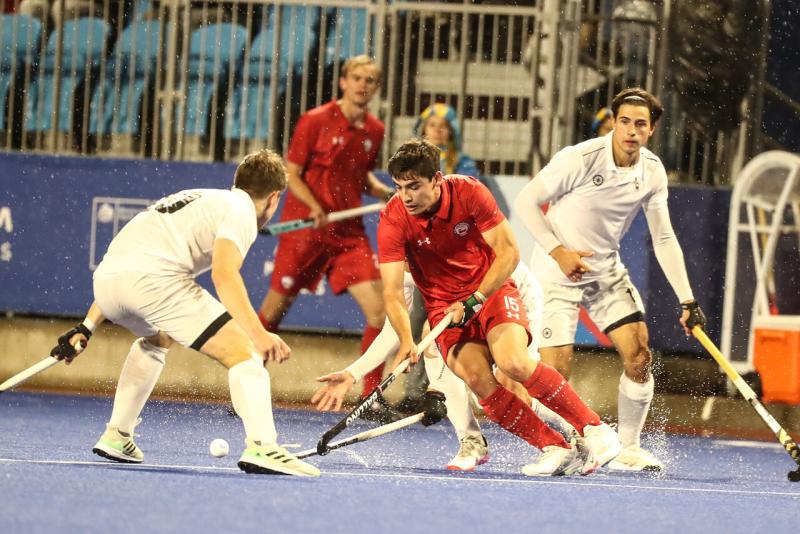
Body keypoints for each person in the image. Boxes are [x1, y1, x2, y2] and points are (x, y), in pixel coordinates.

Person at [48, 149, 320, 477]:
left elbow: (128, 262)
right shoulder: (242, 212)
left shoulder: (204, 199)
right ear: (274, 198)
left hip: (107, 283)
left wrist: (86, 326)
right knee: (245, 351)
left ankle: (117, 435)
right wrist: (258, 334)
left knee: (157, 338)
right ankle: (264, 447)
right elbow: (224, 274)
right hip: (152, 281)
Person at [374, 138, 621, 477]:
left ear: (437, 178)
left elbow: (509, 253)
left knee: (514, 363)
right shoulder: (394, 217)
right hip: (445, 310)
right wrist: (406, 340)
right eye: (400, 187)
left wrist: (473, 299)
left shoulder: (469, 192)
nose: (405, 196)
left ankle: (597, 430)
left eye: (414, 186)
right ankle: (556, 447)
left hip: (488, 291)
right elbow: (391, 292)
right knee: (478, 379)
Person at [513, 87, 708, 472]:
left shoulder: (651, 171)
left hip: (604, 271)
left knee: (639, 355)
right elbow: (525, 202)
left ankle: (628, 449)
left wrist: (687, 300)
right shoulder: (580, 158)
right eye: (624, 122)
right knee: (554, 374)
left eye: (640, 124)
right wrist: (559, 252)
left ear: (651, 130)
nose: (631, 131)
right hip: (556, 272)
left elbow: (664, 237)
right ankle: (564, 446)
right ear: (613, 123)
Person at [311, 261, 574, 471]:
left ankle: (578, 434)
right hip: (459, 306)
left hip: (511, 291)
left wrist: (435, 387)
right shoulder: (398, 257)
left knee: (514, 386)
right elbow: (394, 329)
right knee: (444, 354)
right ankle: (471, 441)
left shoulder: (443, 236)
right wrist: (351, 373)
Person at [255, 55, 400, 424]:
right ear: (343, 81)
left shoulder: (375, 129)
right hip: (305, 230)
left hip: (347, 236)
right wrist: (314, 205)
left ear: (376, 87)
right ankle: (248, 385)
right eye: (357, 78)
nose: (363, 85)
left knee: (380, 313)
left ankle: (369, 397)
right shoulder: (315, 120)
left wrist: (382, 191)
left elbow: (361, 176)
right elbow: (293, 173)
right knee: (272, 315)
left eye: (370, 79)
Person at [414, 103, 480, 177]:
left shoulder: (462, 161)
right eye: (432, 125)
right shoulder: (412, 160)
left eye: (443, 125)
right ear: (423, 130)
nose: (437, 130)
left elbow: (469, 185)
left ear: (451, 132)